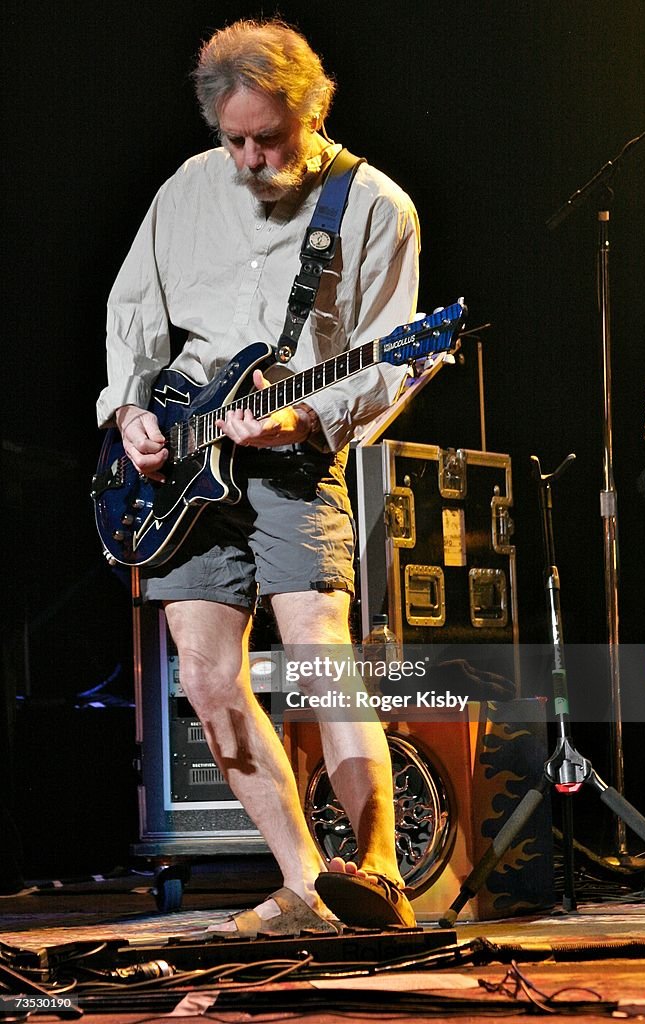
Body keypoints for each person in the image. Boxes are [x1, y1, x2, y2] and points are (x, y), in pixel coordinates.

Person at [97, 18, 420, 934]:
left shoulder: (374, 207)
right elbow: (135, 313)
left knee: (319, 652)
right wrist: (130, 413)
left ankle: (381, 872)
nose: (248, 157)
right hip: (182, 467)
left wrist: (302, 416)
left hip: (293, 458)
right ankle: (308, 886)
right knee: (204, 679)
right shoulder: (187, 189)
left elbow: (388, 359)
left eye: (267, 138)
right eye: (233, 139)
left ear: (311, 111)